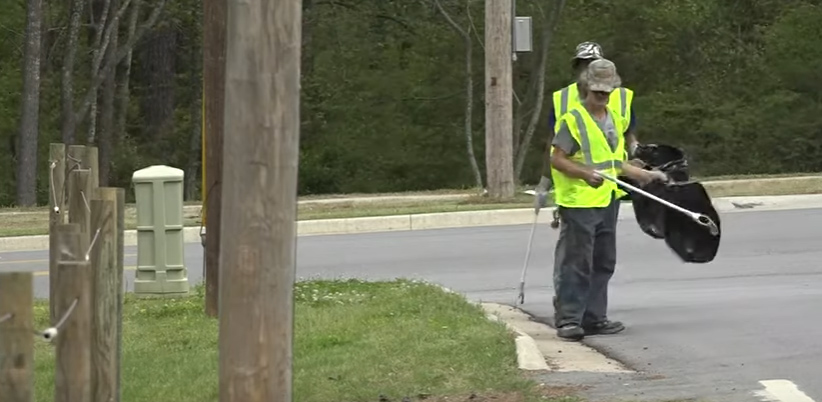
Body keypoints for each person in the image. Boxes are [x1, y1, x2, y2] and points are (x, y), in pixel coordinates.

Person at [546, 58, 667, 341]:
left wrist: (645, 175)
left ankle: (594, 318)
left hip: (607, 200)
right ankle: (569, 320)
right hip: (579, 203)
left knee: (603, 261)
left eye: (606, 92)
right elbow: (557, 160)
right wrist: (585, 174)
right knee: (576, 262)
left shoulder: (613, 118)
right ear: (586, 87)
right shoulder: (572, 120)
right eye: (596, 91)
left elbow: (614, 162)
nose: (601, 97)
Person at [535, 41, 640, 211]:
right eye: (583, 64)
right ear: (576, 68)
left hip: (609, 187)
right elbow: (552, 147)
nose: (587, 69)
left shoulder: (621, 97)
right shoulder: (562, 99)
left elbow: (630, 137)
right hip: (575, 192)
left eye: (592, 63)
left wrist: (640, 165)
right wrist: (544, 184)